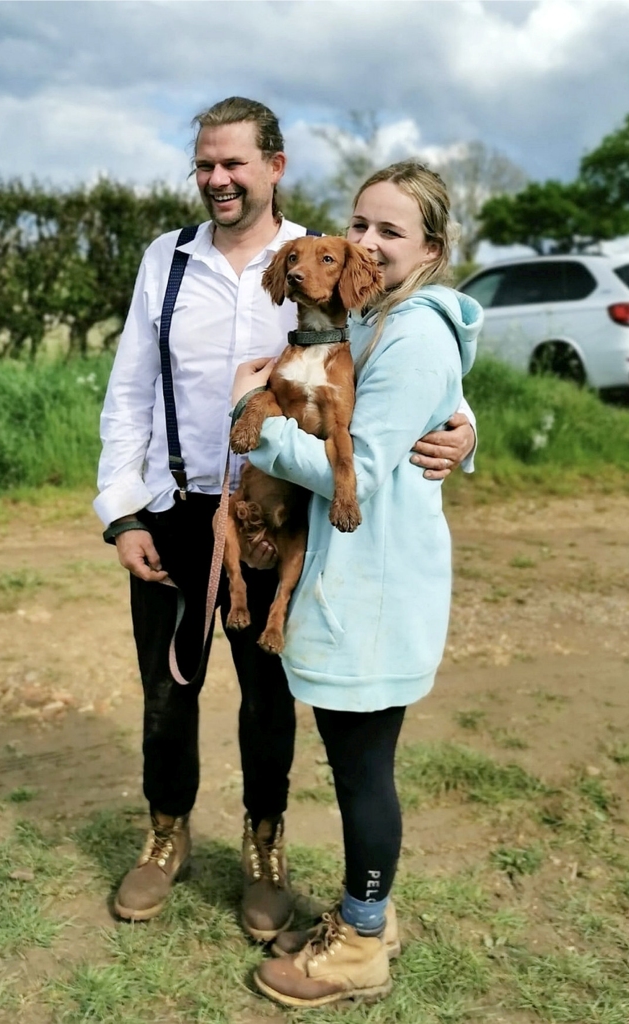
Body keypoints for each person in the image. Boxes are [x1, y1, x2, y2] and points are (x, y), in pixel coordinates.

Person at [94, 97, 477, 937]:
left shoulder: (330, 256)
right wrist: (121, 515)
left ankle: (264, 846)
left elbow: (391, 365)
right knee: (166, 690)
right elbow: (128, 393)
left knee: (268, 694)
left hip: (279, 515)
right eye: (204, 164)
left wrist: (464, 426)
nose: (217, 179)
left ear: (275, 165)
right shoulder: (168, 258)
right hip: (177, 506)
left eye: (234, 162)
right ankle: (166, 838)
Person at [226, 159, 483, 1007]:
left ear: (433, 248)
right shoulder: (377, 323)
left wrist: (252, 424)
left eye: (391, 231)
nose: (366, 242)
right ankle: (366, 910)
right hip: (357, 577)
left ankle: (359, 946)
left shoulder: (409, 332)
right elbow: (424, 414)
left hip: (374, 585)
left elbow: (361, 473)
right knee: (354, 761)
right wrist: (465, 430)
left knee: (362, 769)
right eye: (360, 224)